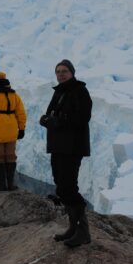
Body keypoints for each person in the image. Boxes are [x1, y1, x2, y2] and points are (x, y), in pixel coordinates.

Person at [40, 59, 93, 248]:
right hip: (58, 147)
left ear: (72, 72)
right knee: (61, 186)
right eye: (58, 71)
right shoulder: (60, 91)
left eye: (64, 71)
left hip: (72, 148)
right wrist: (46, 119)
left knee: (69, 187)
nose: (61, 74)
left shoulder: (79, 91)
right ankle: (73, 228)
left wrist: (60, 121)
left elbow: (83, 117)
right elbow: (52, 114)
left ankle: (83, 232)